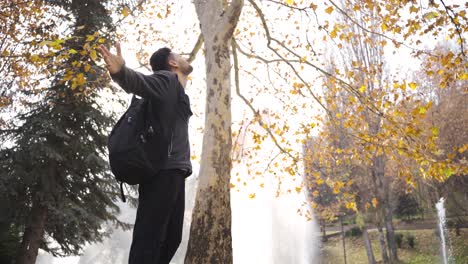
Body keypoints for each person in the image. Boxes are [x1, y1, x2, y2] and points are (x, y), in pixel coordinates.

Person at [98, 43, 193, 264]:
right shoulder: (167, 80)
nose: (183, 58)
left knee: (171, 239)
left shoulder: (175, 91)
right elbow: (142, 83)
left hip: (175, 172)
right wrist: (121, 73)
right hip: (162, 171)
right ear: (172, 63)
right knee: (148, 239)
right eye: (179, 55)